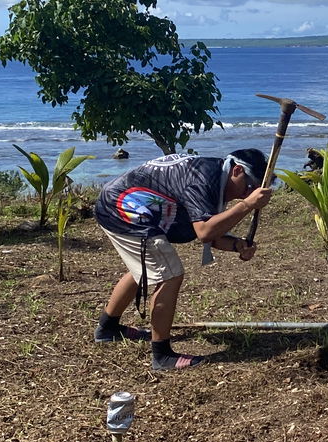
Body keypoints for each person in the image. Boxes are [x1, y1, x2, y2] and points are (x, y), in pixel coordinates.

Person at [93, 148, 272, 371]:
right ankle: (162, 355)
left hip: (122, 204)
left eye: (254, 191)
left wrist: (237, 245)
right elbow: (205, 231)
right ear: (236, 170)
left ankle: (108, 329)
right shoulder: (202, 179)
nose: (248, 194)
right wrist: (246, 205)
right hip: (122, 207)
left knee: (147, 266)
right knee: (170, 274)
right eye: (249, 187)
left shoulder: (216, 176)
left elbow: (211, 234)